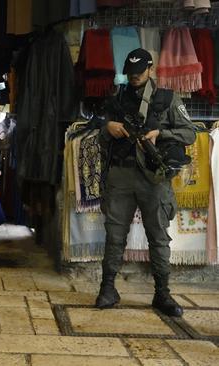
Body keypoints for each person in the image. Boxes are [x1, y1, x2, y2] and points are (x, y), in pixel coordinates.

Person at [96, 48, 196, 316]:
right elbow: (99, 137)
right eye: (131, 73)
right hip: (121, 174)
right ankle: (107, 289)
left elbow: (190, 133)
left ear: (151, 69)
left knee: (159, 237)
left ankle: (162, 294)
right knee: (114, 235)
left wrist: (159, 133)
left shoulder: (167, 98)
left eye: (140, 72)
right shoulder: (117, 97)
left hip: (154, 177)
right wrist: (108, 129)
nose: (135, 77)